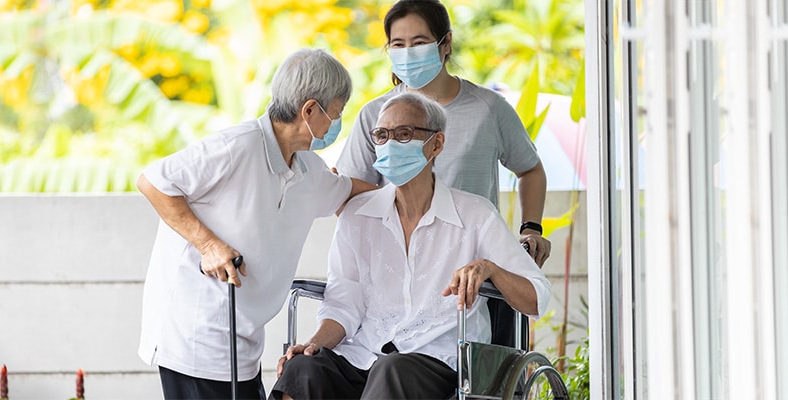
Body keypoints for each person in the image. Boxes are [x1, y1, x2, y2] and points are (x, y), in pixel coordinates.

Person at [269, 92, 550, 400]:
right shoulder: (357, 215)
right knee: (302, 371)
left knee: (392, 370)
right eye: (381, 135)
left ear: (436, 144)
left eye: (403, 134)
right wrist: (313, 345)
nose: (390, 144)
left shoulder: (475, 215)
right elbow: (343, 302)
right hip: (365, 355)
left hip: (439, 363)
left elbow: (537, 298)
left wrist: (490, 269)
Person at [136, 48, 376, 400]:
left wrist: (420, 195)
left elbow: (351, 191)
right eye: (337, 113)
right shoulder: (238, 146)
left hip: (244, 346)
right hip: (193, 338)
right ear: (310, 110)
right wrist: (208, 245)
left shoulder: (309, 169)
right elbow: (154, 182)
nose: (336, 125)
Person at [337, 0, 551, 266]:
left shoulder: (489, 109)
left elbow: (530, 169)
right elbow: (349, 194)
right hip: (399, 264)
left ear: (445, 42)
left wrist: (531, 228)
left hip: (472, 264)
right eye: (398, 44)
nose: (408, 53)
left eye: (419, 43)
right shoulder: (375, 115)